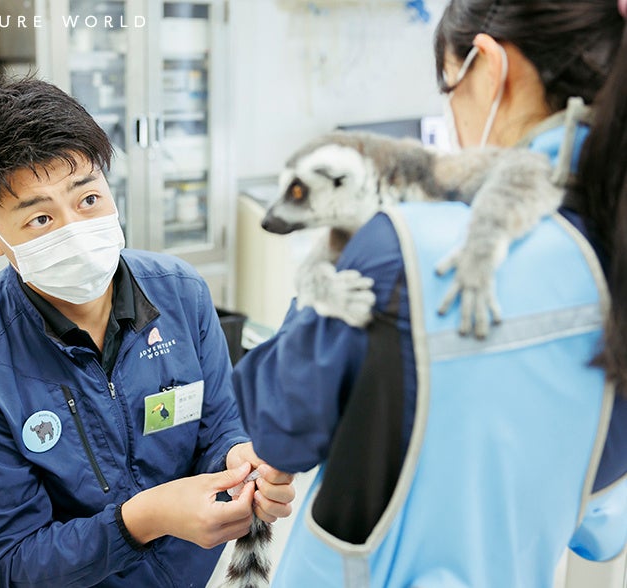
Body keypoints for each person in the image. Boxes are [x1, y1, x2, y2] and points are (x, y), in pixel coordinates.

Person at [232, 0, 627, 586]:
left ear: (489, 67)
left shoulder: (404, 250)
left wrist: (331, 263)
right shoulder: (608, 240)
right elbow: (604, 527)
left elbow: (279, 427)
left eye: (450, 86)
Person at [0, 78, 294, 588]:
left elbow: (218, 425)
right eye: (41, 216)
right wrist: (143, 519)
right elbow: (9, 565)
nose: (75, 227)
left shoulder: (180, 294)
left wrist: (239, 459)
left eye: (88, 197)